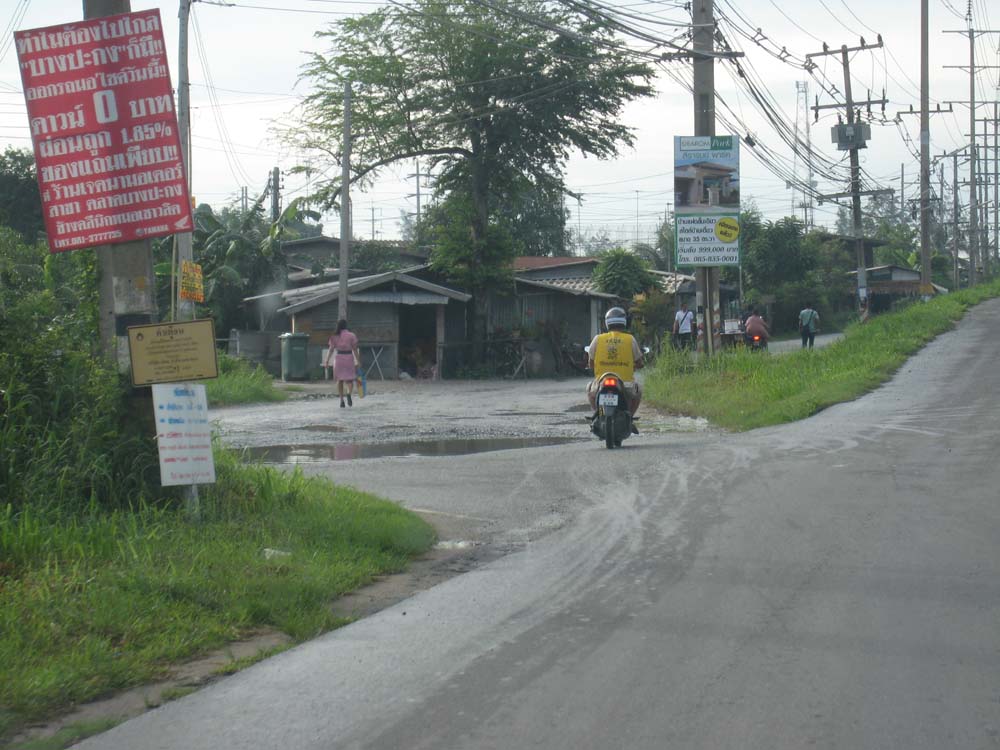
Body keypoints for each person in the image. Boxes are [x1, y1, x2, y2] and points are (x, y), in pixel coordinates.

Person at [587, 307, 645, 429]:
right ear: (624, 322)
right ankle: (629, 418)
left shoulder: (598, 339)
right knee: (638, 389)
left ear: (607, 323)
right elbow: (640, 362)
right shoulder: (630, 339)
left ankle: (597, 414)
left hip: (601, 382)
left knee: (589, 388)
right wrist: (633, 366)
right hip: (625, 384)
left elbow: (591, 362)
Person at [325, 319, 360, 407]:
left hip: (339, 359)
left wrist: (327, 360)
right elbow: (355, 349)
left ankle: (341, 400)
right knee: (350, 380)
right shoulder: (351, 335)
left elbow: (331, 350)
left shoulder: (334, 336)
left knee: (339, 380)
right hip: (349, 358)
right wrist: (358, 361)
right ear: (346, 326)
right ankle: (348, 393)